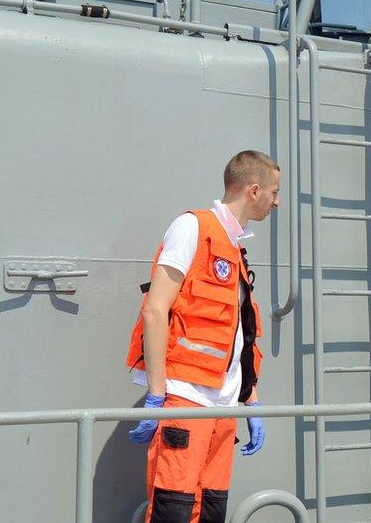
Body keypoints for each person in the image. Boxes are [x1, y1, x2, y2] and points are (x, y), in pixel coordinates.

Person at [125, 150, 279, 523]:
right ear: (254, 191)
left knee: (211, 509)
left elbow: (237, 333)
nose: (277, 201)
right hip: (187, 398)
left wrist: (249, 399)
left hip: (223, 405)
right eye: (275, 192)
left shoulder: (234, 247)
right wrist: (158, 395)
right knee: (173, 510)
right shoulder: (192, 228)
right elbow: (155, 309)